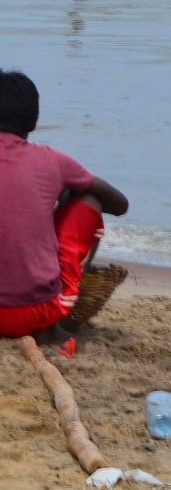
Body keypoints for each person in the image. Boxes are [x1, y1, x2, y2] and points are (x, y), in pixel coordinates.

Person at [0, 72, 130, 351]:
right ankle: (51, 331)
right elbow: (120, 205)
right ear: (33, 122)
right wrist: (62, 195)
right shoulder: (51, 160)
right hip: (36, 314)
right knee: (88, 199)